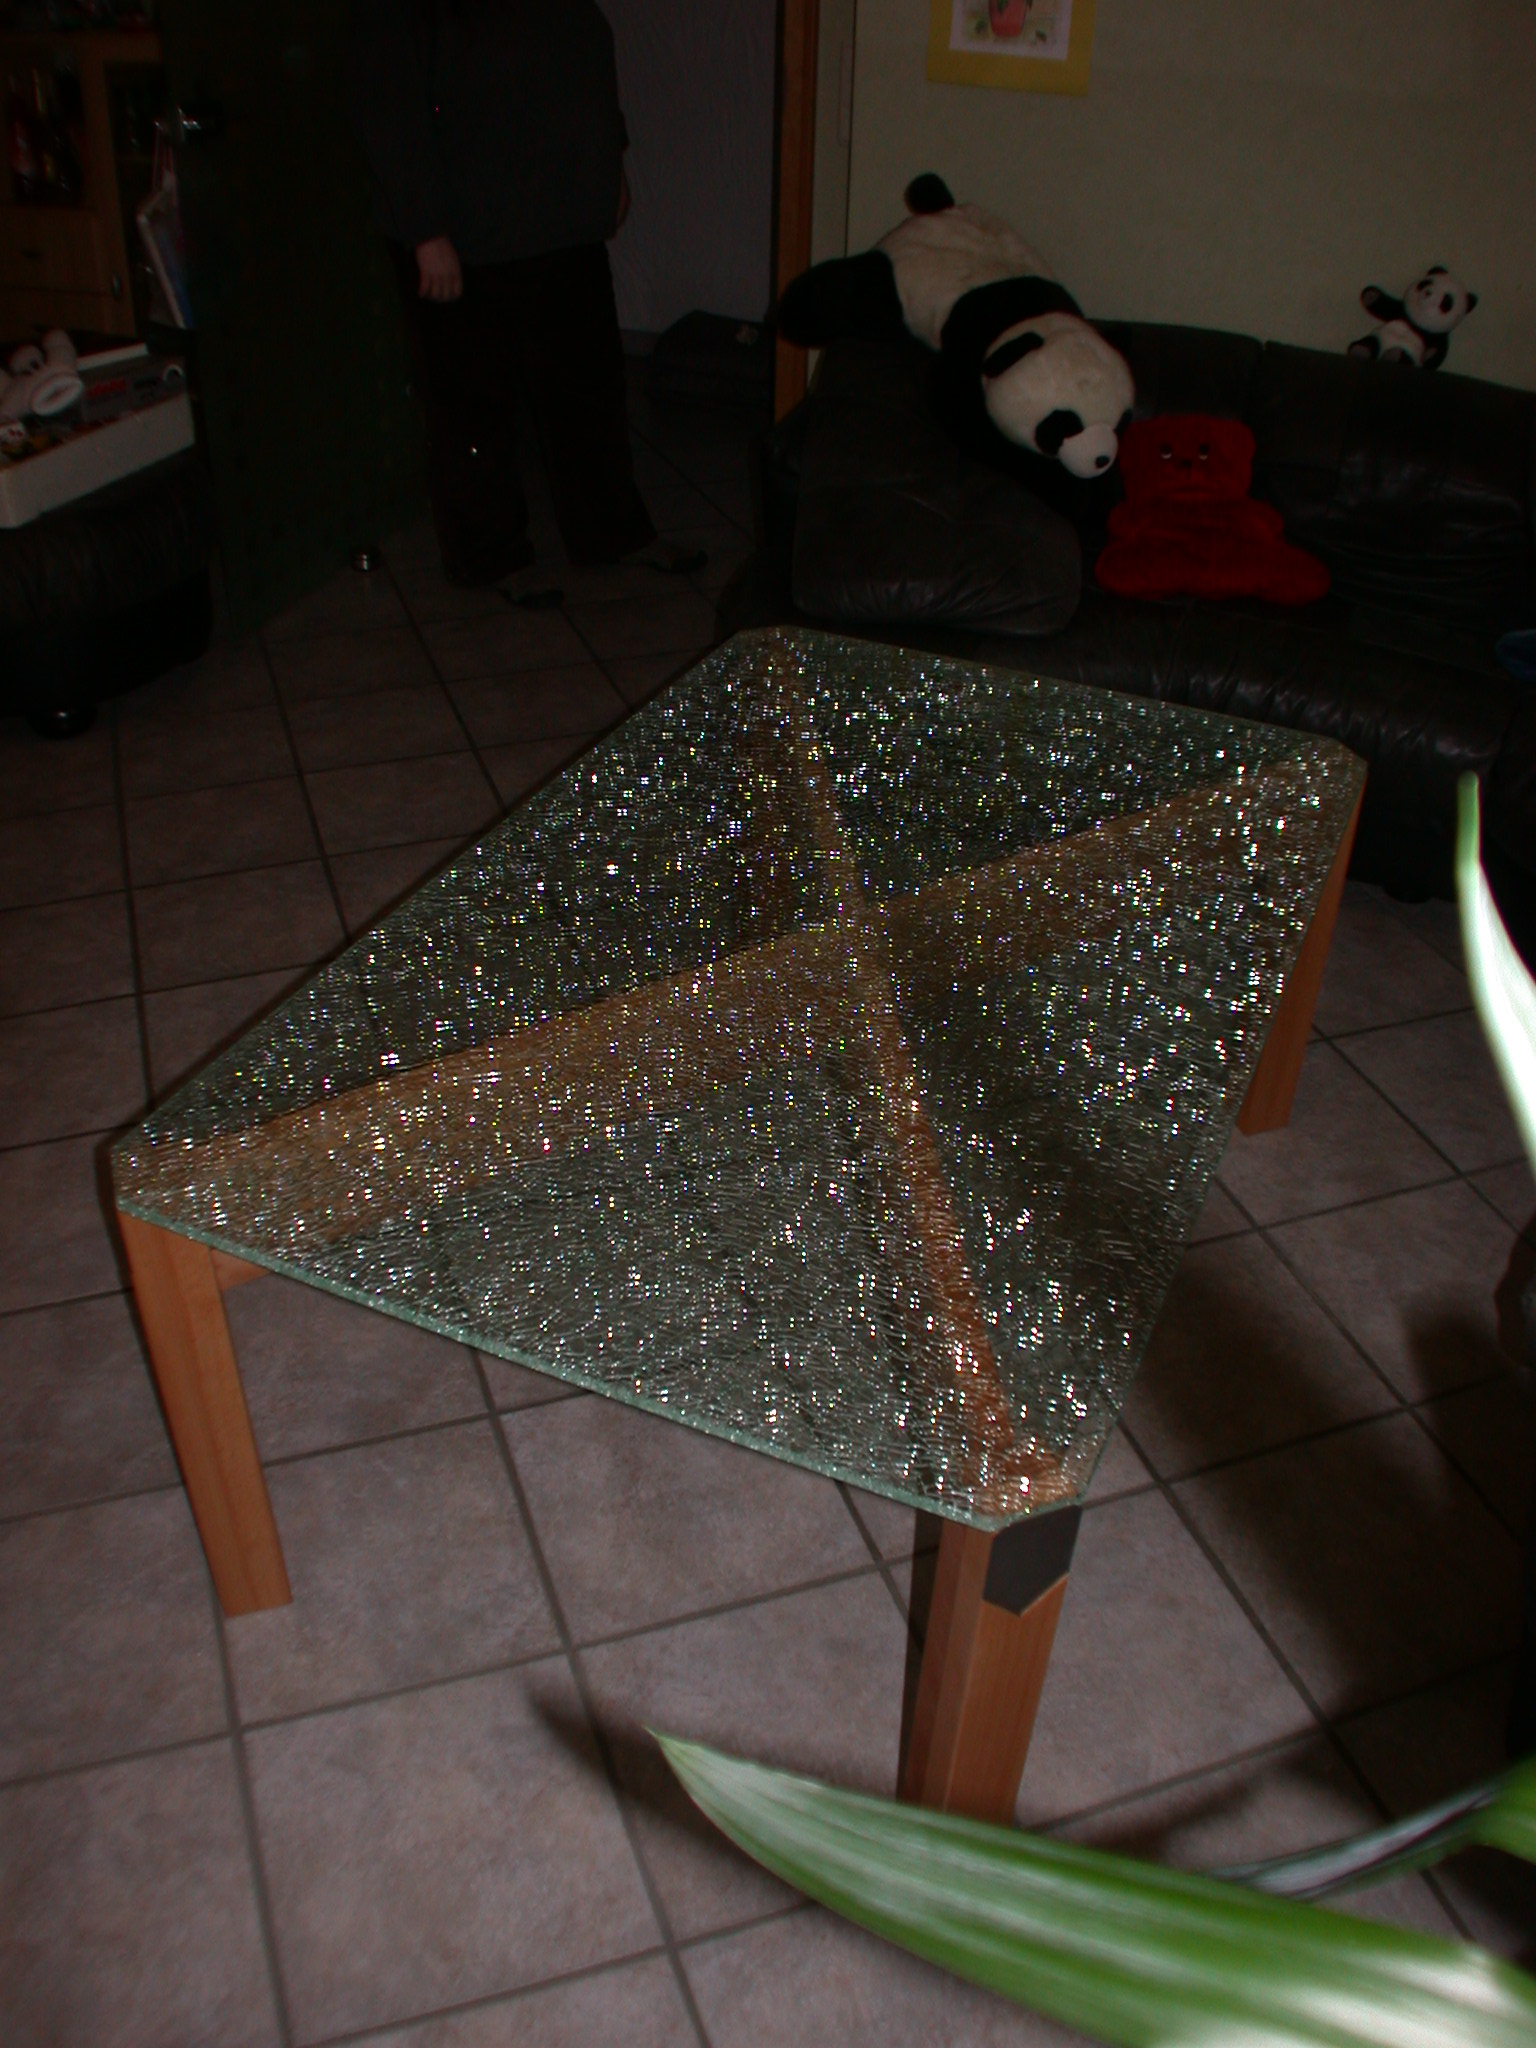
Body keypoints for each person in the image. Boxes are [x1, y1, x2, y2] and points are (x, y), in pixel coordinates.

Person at [348, 0, 701, 588]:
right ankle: (490, 556)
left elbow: (583, 58)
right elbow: (388, 105)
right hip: (464, 233)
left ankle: (612, 532)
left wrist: (610, 162)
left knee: (590, 389)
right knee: (472, 407)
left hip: (563, 222)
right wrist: (426, 231)